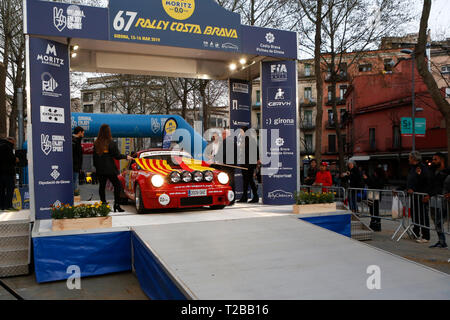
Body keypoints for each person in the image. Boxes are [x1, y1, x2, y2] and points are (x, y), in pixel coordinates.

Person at [93, 124, 132, 212]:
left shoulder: (96, 143)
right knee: (117, 185)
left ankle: (103, 204)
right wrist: (126, 157)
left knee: (102, 186)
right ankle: (117, 205)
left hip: (100, 169)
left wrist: (97, 167)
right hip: (110, 169)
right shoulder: (111, 142)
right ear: (108, 132)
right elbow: (117, 155)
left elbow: (94, 158)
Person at [406, 151, 431, 243]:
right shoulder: (412, 168)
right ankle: (415, 233)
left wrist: (425, 193)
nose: (408, 159)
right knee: (415, 215)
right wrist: (408, 188)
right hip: (414, 196)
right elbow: (410, 181)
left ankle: (426, 236)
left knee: (423, 216)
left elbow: (425, 181)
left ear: (414, 158)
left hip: (421, 196)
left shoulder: (422, 168)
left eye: (409, 157)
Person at [426, 153, 448, 248]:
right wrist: (428, 194)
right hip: (434, 200)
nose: (433, 161)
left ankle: (442, 242)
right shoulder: (433, 171)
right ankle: (441, 241)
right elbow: (431, 185)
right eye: (433, 159)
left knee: (439, 221)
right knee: (435, 221)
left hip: (444, 201)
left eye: (435, 159)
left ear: (441, 160)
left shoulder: (448, 171)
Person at [237, 127, 259, 203]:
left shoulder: (251, 140)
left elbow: (255, 153)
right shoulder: (244, 140)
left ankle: (255, 196)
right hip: (244, 164)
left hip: (249, 164)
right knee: (246, 181)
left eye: (241, 132)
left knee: (250, 180)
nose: (240, 133)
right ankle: (245, 197)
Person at [363, 166, 386, 232]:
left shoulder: (380, 178)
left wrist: (367, 179)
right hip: (372, 194)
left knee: (375, 209)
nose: (374, 173)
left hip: (375, 194)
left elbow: (374, 185)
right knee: (372, 209)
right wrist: (366, 179)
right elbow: (370, 183)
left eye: (375, 172)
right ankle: (373, 223)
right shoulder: (375, 177)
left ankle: (376, 224)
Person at [0, 137, 18, 211]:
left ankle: (2, 206)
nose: (14, 144)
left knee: (1, 190)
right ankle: (8, 206)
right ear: (11, 141)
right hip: (8, 173)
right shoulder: (8, 147)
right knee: (10, 190)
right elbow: (11, 159)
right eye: (14, 142)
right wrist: (16, 159)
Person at [72, 126, 85, 194]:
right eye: (83, 133)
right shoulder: (74, 141)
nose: (83, 135)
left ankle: (75, 194)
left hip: (76, 165)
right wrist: (78, 165)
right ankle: (74, 195)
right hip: (74, 165)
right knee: (74, 181)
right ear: (79, 132)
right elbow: (75, 155)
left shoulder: (77, 140)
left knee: (75, 180)